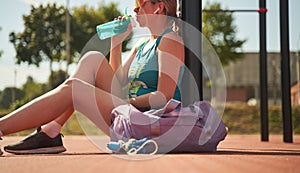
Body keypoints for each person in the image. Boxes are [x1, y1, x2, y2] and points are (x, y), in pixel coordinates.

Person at [0, 0, 184, 155]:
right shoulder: (142, 45)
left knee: (75, 88)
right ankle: (51, 131)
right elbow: (116, 82)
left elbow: (163, 96)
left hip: (147, 122)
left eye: (140, 3)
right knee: (92, 59)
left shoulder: (170, 41)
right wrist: (117, 42)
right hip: (130, 112)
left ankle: (6, 127)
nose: (135, 9)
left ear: (159, 7)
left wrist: (127, 102)